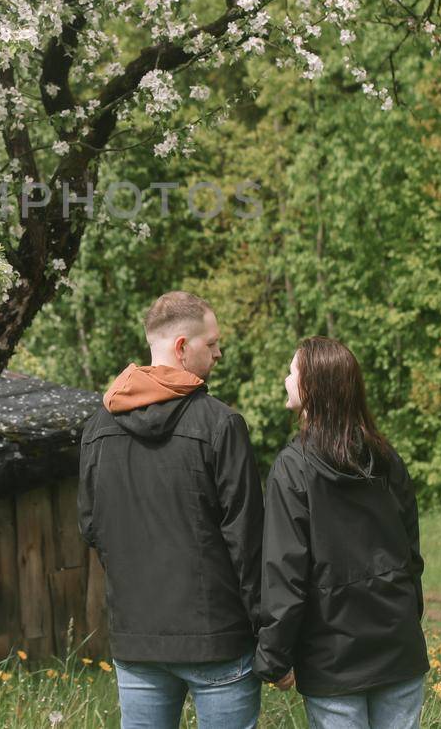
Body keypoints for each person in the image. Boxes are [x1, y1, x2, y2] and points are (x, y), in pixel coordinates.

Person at [78, 290, 264, 729]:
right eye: (212, 343)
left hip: (137, 639)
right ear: (182, 347)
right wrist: (269, 634)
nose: (219, 353)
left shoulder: (96, 429)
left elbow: (91, 527)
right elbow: (248, 538)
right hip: (217, 639)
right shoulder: (221, 425)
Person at [253, 336, 429, 729]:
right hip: (397, 644)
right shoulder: (386, 458)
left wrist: (273, 658)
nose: (285, 379)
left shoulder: (292, 468)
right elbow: (411, 557)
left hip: (332, 658)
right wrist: (406, 619)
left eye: (292, 371)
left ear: (313, 388)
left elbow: (285, 572)